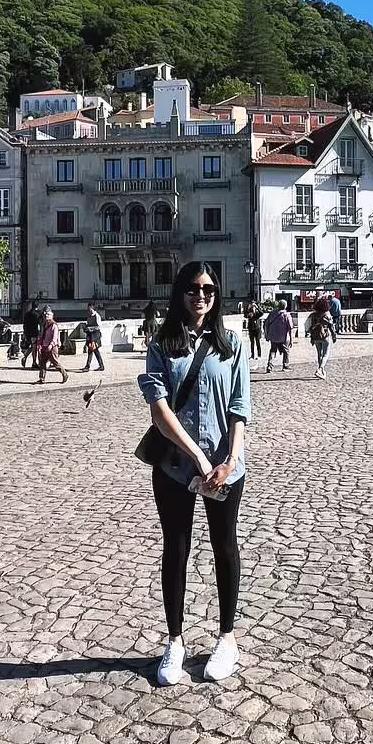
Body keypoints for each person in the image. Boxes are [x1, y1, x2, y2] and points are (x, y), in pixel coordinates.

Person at [138, 262, 250, 687]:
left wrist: (229, 460)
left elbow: (240, 409)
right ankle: (175, 641)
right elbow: (160, 411)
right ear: (178, 294)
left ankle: (226, 637)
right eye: (191, 288)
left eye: (208, 288)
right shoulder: (162, 345)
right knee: (177, 549)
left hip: (226, 467)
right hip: (176, 467)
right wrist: (200, 461)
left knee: (225, 546)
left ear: (216, 293)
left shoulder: (231, 344)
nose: (200, 295)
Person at [36, 306, 68, 384]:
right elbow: (41, 336)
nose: (46, 317)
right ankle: (42, 378)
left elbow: (54, 338)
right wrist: (39, 344)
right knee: (42, 363)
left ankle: (65, 374)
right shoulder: (44, 325)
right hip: (44, 346)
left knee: (55, 363)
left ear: (51, 316)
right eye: (45, 315)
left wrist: (50, 345)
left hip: (52, 348)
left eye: (48, 315)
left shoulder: (54, 326)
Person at [307, 297, 336, 379]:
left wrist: (311, 338)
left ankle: (322, 371)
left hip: (316, 336)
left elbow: (311, 327)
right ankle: (320, 369)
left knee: (319, 354)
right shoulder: (327, 314)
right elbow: (331, 326)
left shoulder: (314, 315)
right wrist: (334, 336)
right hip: (325, 336)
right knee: (325, 354)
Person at [264, 299, 293, 371]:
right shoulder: (287, 315)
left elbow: (266, 324)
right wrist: (291, 339)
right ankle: (285, 366)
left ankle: (269, 366)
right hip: (284, 337)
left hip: (273, 336)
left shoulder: (272, 313)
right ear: (285, 306)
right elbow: (290, 328)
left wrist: (266, 335)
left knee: (273, 351)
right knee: (286, 351)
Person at [83, 302, 105, 373]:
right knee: (95, 351)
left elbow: (98, 327)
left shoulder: (97, 316)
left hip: (95, 336)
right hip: (90, 335)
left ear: (92, 308)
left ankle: (88, 366)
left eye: (90, 308)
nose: (89, 310)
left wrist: (90, 328)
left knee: (91, 350)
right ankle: (101, 365)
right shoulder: (89, 316)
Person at [22, 302, 42, 370]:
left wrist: (25, 333)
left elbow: (24, 324)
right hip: (34, 333)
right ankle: (34, 362)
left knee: (32, 346)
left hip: (28, 333)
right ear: (37, 306)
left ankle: (25, 357)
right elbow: (39, 324)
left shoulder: (27, 314)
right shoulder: (37, 314)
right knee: (34, 348)